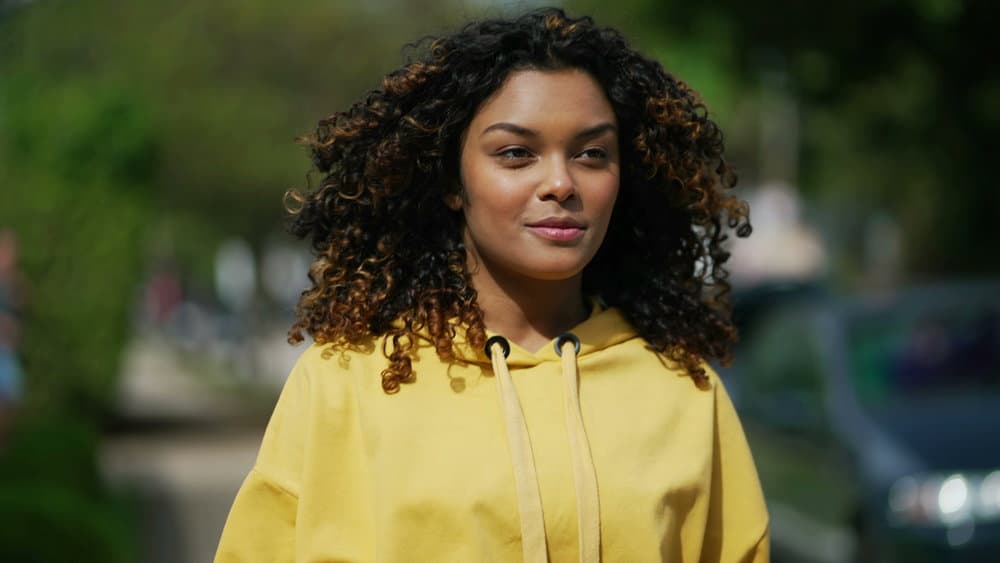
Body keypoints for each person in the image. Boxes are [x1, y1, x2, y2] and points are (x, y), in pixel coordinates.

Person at [216, 8, 767, 562]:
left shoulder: (684, 388)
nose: (560, 182)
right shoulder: (346, 380)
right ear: (454, 183)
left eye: (592, 154)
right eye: (515, 154)